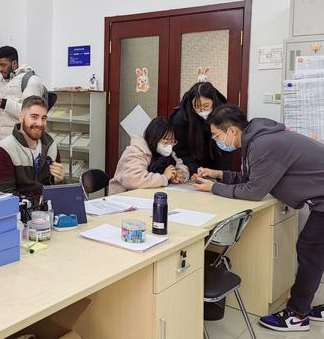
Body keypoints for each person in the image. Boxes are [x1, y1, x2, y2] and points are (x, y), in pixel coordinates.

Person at [192, 104, 324, 332]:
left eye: (216, 135)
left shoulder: (263, 144)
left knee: (310, 250)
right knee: (314, 251)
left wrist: (213, 188)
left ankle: (297, 316)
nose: (216, 140)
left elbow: (253, 191)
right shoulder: (257, 139)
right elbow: (250, 177)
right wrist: (218, 175)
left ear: (232, 130)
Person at [0, 96, 65, 202]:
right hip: (21, 211)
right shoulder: (3, 151)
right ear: (21, 117)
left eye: (43, 118)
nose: (40, 123)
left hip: (48, 209)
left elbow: (60, 193)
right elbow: (5, 199)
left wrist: (59, 181)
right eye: (34, 117)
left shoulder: (51, 146)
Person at [0, 46, 45, 144]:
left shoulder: (32, 81)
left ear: (14, 63)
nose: (0, 69)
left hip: (21, 145)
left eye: (3, 65)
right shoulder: (6, 82)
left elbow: (30, 114)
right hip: (2, 143)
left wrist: (0, 102)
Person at [109, 117, 189, 194]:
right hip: (124, 196)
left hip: (151, 194)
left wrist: (177, 175)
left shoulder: (168, 152)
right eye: (165, 142)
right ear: (154, 139)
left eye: (172, 142)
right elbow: (132, 179)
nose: (169, 146)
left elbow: (181, 167)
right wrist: (164, 178)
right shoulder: (137, 150)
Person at [170, 82, 231, 176]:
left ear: (214, 101)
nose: (202, 111)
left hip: (217, 158)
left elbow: (225, 148)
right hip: (192, 160)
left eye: (206, 106)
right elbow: (180, 151)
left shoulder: (223, 113)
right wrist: (195, 171)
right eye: (197, 107)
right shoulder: (181, 118)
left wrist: (221, 175)